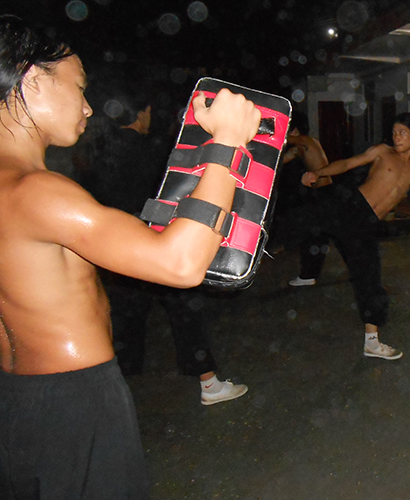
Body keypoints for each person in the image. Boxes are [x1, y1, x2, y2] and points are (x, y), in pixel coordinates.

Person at [0, 15, 260, 498]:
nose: (87, 105)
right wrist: (227, 143)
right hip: (73, 403)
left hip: (14, 402)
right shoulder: (36, 192)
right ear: (33, 79)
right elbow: (180, 263)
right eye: (79, 87)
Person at [74, 76, 248, 405]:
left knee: (124, 318)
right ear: (142, 113)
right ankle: (209, 384)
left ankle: (114, 390)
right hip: (157, 241)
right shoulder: (153, 151)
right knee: (185, 311)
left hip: (118, 249)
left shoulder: (96, 153)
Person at [273, 112, 410, 360]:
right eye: (394, 132)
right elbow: (347, 164)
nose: (396, 137)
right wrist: (319, 173)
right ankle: (259, 243)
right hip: (350, 205)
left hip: (367, 223)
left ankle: (372, 342)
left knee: (369, 276)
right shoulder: (383, 152)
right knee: (304, 216)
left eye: (402, 133)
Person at [276, 112, 332, 287]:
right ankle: (309, 273)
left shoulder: (306, 141)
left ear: (295, 131)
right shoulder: (300, 147)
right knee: (315, 233)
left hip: (324, 192)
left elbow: (282, 140)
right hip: (319, 193)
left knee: (314, 234)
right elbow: (282, 161)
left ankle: (308, 275)